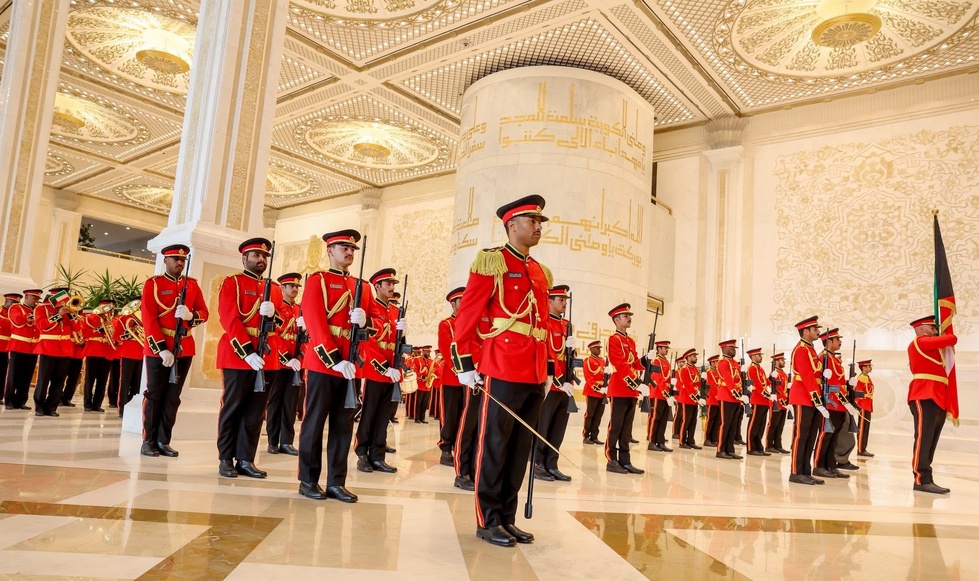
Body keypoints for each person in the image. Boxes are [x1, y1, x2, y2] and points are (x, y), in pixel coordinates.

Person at [450, 194, 553, 548]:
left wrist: (550, 366)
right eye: (532, 221)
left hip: (534, 371)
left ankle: (507, 518)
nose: (539, 228)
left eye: (540, 222)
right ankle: (488, 519)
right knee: (494, 446)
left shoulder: (540, 270)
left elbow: (545, 323)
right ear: (512, 225)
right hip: (502, 365)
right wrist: (464, 363)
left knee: (519, 449)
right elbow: (468, 315)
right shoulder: (491, 262)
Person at [297, 229, 384, 502]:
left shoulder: (364, 287)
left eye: (351, 249)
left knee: (343, 425)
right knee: (314, 422)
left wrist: (365, 322)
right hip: (325, 365)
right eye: (343, 247)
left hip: (351, 365)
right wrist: (333, 360)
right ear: (330, 251)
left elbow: (376, 327)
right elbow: (315, 322)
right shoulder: (317, 281)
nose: (348, 252)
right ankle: (308, 480)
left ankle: (336, 481)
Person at [216, 238, 282, 477]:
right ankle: (225, 458)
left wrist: (274, 314)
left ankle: (245, 458)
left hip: (267, 357)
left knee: (256, 411)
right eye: (255, 255)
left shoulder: (274, 288)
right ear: (244, 258)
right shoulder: (232, 283)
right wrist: (247, 352)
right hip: (237, 356)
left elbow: (284, 323)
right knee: (232, 407)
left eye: (264, 256)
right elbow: (230, 320)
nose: (261, 259)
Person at [141, 244, 208, 457]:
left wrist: (190, 316)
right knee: (155, 395)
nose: (179, 263)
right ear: (166, 261)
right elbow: (149, 319)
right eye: (175, 259)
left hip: (184, 347)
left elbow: (204, 313)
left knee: (172, 397)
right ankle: (148, 440)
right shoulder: (153, 285)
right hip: (160, 349)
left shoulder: (193, 286)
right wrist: (161, 349)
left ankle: (163, 440)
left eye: (182, 260)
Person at [354, 268, 404, 474]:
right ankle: (362, 453)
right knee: (370, 413)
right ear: (377, 286)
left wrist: (397, 367)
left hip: (392, 370)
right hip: (376, 371)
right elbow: (367, 342)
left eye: (393, 284)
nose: (392, 288)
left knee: (384, 416)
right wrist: (383, 368)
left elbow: (398, 345)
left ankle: (378, 455)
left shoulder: (395, 311)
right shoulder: (370, 308)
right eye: (388, 284)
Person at [907, 315, 956, 494]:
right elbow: (952, 339)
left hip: (936, 396)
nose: (936, 331)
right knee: (923, 438)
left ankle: (927, 477)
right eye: (932, 328)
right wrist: (946, 329)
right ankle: (920, 478)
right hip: (923, 394)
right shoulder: (919, 342)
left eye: (936, 328)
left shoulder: (932, 346)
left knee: (931, 440)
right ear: (921, 329)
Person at [533, 285, 575, 483]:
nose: (564, 303)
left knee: (558, 427)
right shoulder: (544, 323)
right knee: (543, 425)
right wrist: (559, 379)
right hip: (550, 383)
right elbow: (547, 354)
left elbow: (568, 357)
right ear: (549, 301)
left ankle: (552, 463)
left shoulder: (567, 325)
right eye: (560, 299)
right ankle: (537, 463)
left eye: (565, 300)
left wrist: (570, 378)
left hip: (565, 385)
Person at [604, 303, 652, 475]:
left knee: (627, 428)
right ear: (616, 320)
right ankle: (612, 459)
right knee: (615, 426)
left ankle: (625, 460)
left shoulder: (630, 341)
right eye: (626, 316)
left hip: (631, 391)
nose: (629, 318)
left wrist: (646, 359)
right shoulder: (613, 340)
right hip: (619, 388)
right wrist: (637, 384)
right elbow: (621, 365)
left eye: (629, 316)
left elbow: (634, 364)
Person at [266, 272, 304, 456]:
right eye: (291, 286)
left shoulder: (300, 309)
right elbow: (275, 336)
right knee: (275, 402)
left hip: (295, 363)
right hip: (279, 363)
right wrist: (286, 358)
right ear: (282, 287)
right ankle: (273, 441)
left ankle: (287, 441)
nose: (295, 289)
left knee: (291, 403)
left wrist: (299, 357)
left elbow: (304, 339)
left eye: (297, 286)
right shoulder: (276, 309)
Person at [788, 316, 829, 485]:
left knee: (811, 435)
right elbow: (806, 376)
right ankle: (796, 472)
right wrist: (817, 400)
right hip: (804, 396)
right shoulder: (801, 350)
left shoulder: (811, 349)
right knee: (801, 435)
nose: (818, 332)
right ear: (806, 331)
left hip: (813, 397)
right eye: (815, 329)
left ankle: (805, 470)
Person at [813, 329, 856, 479]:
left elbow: (837, 382)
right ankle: (819, 465)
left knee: (834, 437)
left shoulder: (833, 359)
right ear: (829, 341)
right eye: (837, 339)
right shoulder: (823, 357)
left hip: (838, 404)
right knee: (825, 436)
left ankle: (831, 465)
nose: (840, 341)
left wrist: (848, 384)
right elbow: (826, 383)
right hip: (830, 403)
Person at [436, 287, 466, 466]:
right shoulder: (446, 324)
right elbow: (447, 351)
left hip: (469, 379)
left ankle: (460, 446)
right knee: (449, 415)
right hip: (452, 377)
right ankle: (446, 448)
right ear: (453, 304)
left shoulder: (472, 322)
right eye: (460, 300)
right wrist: (461, 371)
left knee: (465, 415)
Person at [32, 289, 73, 417]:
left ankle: (52, 408)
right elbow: (42, 326)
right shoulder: (41, 309)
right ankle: (39, 407)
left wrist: (73, 316)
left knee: (59, 381)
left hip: (64, 349)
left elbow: (77, 328)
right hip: (48, 347)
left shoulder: (68, 310)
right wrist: (58, 315)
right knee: (43, 380)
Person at [5, 289, 42, 410]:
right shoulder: (16, 308)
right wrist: (33, 315)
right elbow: (18, 321)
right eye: (34, 298)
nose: (36, 301)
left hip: (32, 348)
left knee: (26, 376)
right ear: (26, 297)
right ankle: (9, 400)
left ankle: (21, 400)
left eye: (37, 299)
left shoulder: (36, 311)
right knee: (14, 375)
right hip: (18, 346)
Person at [715, 339, 746, 460]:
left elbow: (738, 379)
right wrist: (735, 392)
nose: (734, 350)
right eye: (732, 348)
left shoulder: (734, 363)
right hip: (726, 396)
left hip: (736, 398)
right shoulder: (723, 362)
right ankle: (721, 449)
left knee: (733, 425)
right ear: (725, 348)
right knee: (725, 424)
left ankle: (730, 449)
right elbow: (727, 378)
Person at [115, 297, 144, 417]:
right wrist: (129, 333)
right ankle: (122, 408)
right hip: (128, 352)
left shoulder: (147, 317)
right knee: (125, 383)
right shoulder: (124, 318)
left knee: (138, 384)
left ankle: (134, 407)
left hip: (142, 353)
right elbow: (116, 336)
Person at [646, 340, 674, 453]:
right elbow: (657, 378)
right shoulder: (656, 361)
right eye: (665, 348)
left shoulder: (666, 362)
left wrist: (670, 392)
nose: (667, 350)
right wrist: (665, 392)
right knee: (655, 418)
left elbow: (668, 378)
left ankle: (660, 441)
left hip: (665, 394)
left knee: (663, 419)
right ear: (658, 349)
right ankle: (652, 442)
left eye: (667, 348)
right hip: (657, 393)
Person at [745, 348, 773, 456]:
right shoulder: (751, 368)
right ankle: (751, 447)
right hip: (757, 399)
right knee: (754, 424)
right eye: (758, 355)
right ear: (752, 356)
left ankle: (758, 446)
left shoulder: (760, 369)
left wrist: (772, 379)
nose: (760, 357)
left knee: (761, 425)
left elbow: (765, 382)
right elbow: (756, 384)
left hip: (764, 401)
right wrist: (767, 394)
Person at [581, 340, 606, 445]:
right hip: (592, 391)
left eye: (599, 348)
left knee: (598, 415)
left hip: (602, 392)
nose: (599, 350)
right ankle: (586, 436)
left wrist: (605, 388)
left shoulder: (603, 361)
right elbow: (588, 377)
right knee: (590, 414)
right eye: (597, 348)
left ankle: (594, 436)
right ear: (591, 349)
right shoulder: (588, 361)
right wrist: (597, 388)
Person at [676, 349, 702, 450]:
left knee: (693, 421)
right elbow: (687, 385)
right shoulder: (684, 369)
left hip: (694, 399)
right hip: (687, 398)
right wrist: (696, 396)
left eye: (695, 355)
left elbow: (696, 383)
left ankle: (691, 440)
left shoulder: (695, 369)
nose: (695, 357)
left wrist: (702, 383)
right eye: (694, 356)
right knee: (685, 421)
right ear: (688, 357)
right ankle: (682, 441)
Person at [765, 352, 790, 454]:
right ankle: (769, 445)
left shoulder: (783, 374)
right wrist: (771, 377)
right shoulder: (774, 373)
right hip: (776, 402)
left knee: (780, 425)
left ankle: (778, 445)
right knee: (773, 424)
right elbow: (770, 384)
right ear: (776, 362)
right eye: (782, 360)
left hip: (784, 403)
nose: (784, 362)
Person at [853, 360, 875, 457]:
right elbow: (857, 392)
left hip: (867, 404)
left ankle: (863, 448)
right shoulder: (862, 378)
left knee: (865, 428)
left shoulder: (866, 377)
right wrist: (857, 406)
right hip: (863, 405)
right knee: (862, 428)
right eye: (869, 366)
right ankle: (861, 449)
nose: (870, 368)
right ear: (864, 367)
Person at [0, 293, 19, 404]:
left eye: (16, 303)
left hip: (8, 347)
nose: (14, 305)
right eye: (12, 302)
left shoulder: (15, 313)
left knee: (3, 373)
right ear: (6, 301)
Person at [703, 355, 721, 446]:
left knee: (717, 420)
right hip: (712, 399)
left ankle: (714, 439)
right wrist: (718, 396)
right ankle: (707, 439)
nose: (718, 363)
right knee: (710, 419)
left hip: (719, 400)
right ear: (712, 363)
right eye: (716, 362)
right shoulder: (709, 372)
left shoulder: (718, 372)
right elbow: (712, 386)